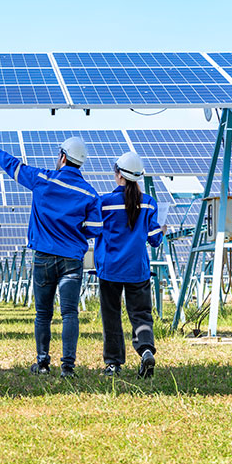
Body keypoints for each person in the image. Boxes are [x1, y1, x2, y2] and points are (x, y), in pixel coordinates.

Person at [0, 132, 102, 378]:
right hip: (72, 259)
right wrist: (76, 230)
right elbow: (96, 228)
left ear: (63, 157)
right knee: (69, 313)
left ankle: (43, 363)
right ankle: (68, 367)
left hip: (44, 257)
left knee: (43, 313)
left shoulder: (43, 178)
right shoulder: (90, 194)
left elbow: (15, 168)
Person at [94, 151, 166, 379]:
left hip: (110, 270)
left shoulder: (104, 203)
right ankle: (145, 350)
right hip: (138, 270)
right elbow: (154, 239)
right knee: (141, 315)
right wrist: (162, 232)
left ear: (118, 175)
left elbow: (93, 229)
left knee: (111, 316)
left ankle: (113, 364)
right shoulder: (149, 203)